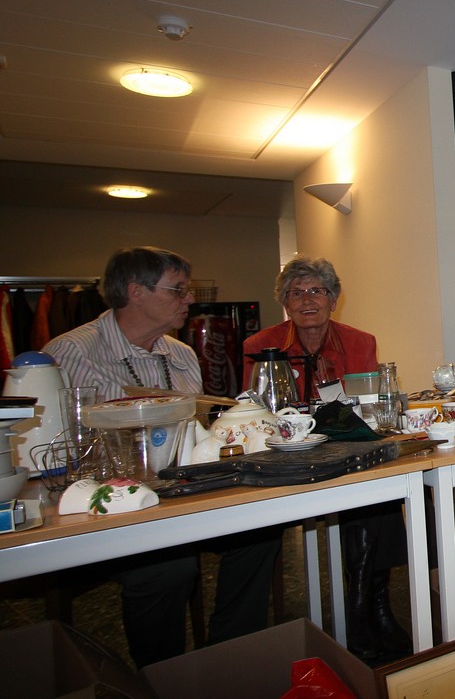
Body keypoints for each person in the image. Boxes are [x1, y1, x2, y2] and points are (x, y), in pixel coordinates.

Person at [44, 246, 282, 666]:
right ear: (135, 291)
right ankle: (162, 677)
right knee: (168, 568)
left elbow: (197, 431)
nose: (189, 300)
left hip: (180, 492)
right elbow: (56, 444)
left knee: (259, 530)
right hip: (113, 504)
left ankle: (230, 654)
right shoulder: (69, 353)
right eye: (178, 290)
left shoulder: (181, 354)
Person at [243, 256, 411, 663]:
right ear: (285, 303)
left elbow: (367, 410)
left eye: (316, 291)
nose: (307, 300)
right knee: (373, 489)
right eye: (296, 293)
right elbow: (254, 413)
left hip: (344, 451)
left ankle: (368, 604)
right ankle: (367, 610)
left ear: (333, 300)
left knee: (380, 487)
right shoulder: (260, 346)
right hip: (287, 457)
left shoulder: (359, 342)